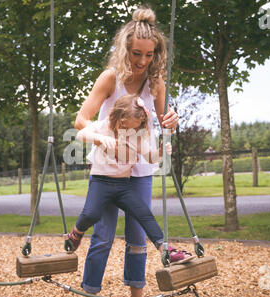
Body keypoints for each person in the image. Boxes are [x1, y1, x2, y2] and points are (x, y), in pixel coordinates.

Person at [74, 6, 179, 297]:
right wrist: (103, 141)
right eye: (137, 54)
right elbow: (81, 120)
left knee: (137, 237)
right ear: (125, 49)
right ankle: (90, 294)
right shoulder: (110, 78)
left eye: (150, 55)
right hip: (108, 171)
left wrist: (171, 120)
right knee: (103, 236)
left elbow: (164, 119)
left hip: (141, 170)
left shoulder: (156, 83)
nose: (143, 61)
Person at [67, 94, 188, 267]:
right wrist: (100, 138)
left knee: (144, 214)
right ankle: (77, 232)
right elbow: (81, 134)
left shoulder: (136, 137)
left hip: (124, 186)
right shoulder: (104, 126)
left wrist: (161, 152)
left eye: (132, 128)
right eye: (122, 126)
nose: (125, 132)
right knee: (91, 214)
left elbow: (151, 157)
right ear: (116, 116)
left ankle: (166, 249)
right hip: (101, 183)